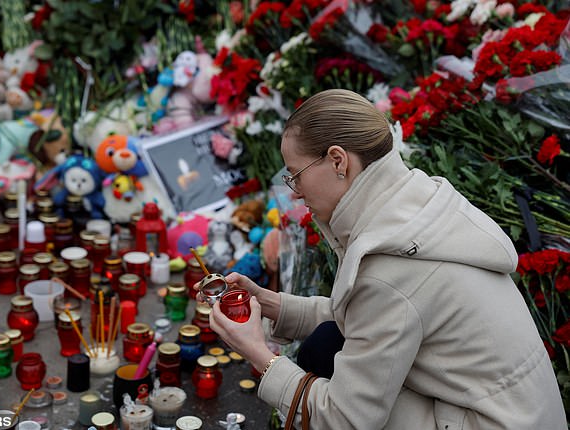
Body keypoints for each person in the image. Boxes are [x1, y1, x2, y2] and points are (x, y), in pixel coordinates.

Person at [201, 89, 566, 429]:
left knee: (328, 369)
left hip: (493, 421)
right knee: (328, 344)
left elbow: (344, 419)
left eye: (295, 176)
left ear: (338, 160)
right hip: (520, 413)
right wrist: (272, 305)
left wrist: (259, 355)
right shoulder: (414, 205)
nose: (294, 193)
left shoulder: (389, 263)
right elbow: (375, 319)